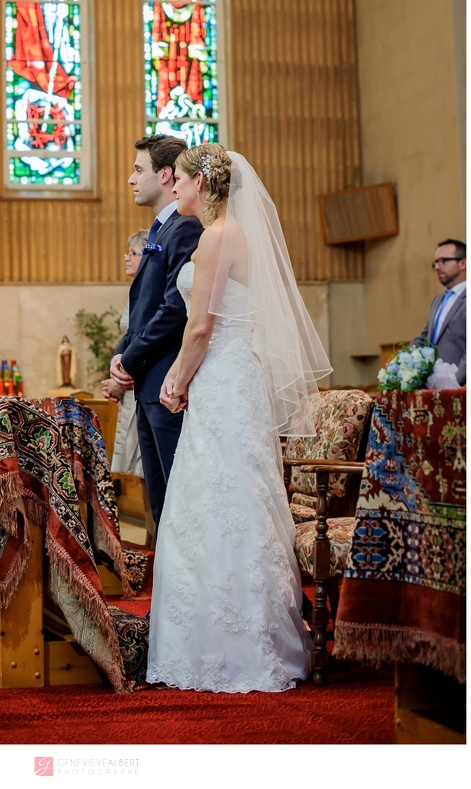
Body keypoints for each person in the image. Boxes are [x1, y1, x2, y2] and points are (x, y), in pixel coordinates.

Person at [146, 144, 331, 693]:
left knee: (213, 498)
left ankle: (222, 648)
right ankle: (259, 638)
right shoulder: (238, 236)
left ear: (201, 183)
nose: (173, 188)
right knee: (243, 497)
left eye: (178, 179)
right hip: (236, 376)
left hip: (223, 377)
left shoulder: (217, 236)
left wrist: (174, 381)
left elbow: (199, 328)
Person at [109, 136, 203, 525]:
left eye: (138, 169)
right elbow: (144, 307)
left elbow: (173, 309)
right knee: (161, 497)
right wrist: (121, 352)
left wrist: (129, 361)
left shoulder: (183, 229)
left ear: (165, 175)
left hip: (167, 382)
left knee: (178, 495)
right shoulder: (158, 232)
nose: (131, 179)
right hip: (150, 381)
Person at [103, 230, 149, 478]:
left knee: (147, 468)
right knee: (140, 470)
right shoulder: (136, 289)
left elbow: (144, 338)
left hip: (140, 380)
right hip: (130, 379)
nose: (126, 257)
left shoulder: (149, 291)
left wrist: (121, 379)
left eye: (133, 253)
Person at [410, 239, 466, 386]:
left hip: (457, 387)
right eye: (435, 263)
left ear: (463, 263)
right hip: (432, 386)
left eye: (443, 261)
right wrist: (399, 362)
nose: (436, 267)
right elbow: (424, 339)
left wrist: (454, 384)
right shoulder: (438, 300)